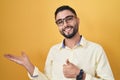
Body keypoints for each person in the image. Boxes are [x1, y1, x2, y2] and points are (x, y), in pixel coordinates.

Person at [4, 5, 114, 80]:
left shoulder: (96, 49)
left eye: (69, 19)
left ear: (77, 20)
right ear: (58, 26)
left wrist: (81, 75)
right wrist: (30, 67)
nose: (65, 24)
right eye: (60, 22)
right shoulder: (53, 51)